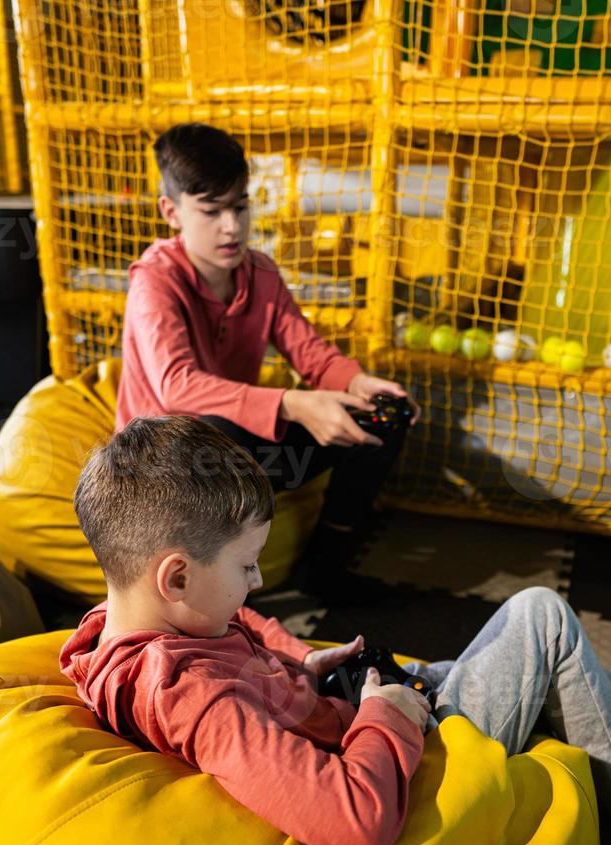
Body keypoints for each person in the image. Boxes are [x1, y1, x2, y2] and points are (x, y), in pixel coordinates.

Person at [62, 415, 611, 845]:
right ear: (177, 574)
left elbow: (241, 643)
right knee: (543, 616)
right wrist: (386, 715)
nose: (258, 582)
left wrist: (303, 666)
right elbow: (352, 823)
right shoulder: (188, 691)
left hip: (353, 713)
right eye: (248, 565)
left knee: (532, 655)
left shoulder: (142, 619)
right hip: (397, 765)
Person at [116, 122, 417, 602]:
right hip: (165, 467)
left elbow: (309, 352)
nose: (231, 227)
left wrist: (358, 383)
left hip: (236, 455)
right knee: (221, 434)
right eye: (211, 212)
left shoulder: (260, 272)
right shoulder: (155, 280)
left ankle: (325, 570)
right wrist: (294, 405)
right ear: (171, 212)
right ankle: (216, 597)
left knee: (386, 417)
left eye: (239, 206)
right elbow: (177, 386)